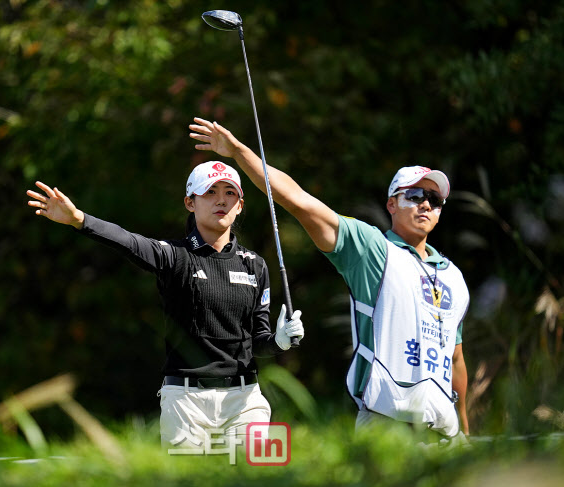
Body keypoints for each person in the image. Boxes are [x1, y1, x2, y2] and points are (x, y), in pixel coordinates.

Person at [189, 117, 470, 441]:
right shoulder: (371, 248)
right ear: (391, 203)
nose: (425, 204)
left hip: (447, 438)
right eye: (415, 195)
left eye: (434, 200)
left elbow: (456, 356)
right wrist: (238, 152)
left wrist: (465, 428)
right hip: (388, 429)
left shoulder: (453, 277)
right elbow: (297, 199)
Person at [25, 161, 304, 449]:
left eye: (230, 192)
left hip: (245, 400)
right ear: (190, 202)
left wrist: (279, 341)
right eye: (210, 192)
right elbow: (128, 242)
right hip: (186, 402)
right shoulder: (174, 256)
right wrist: (79, 219)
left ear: (240, 205)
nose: (221, 200)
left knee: (256, 477)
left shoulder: (255, 265)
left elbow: (258, 341)